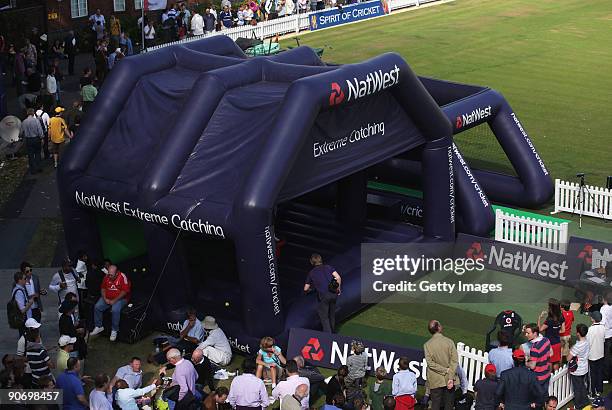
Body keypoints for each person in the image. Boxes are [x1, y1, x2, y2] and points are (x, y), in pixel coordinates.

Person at [90, 264, 131, 342]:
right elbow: (103, 288)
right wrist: (105, 298)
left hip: (121, 299)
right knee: (97, 307)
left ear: (116, 273)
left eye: (111, 275)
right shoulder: (107, 277)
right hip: (108, 298)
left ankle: (114, 330)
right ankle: (99, 326)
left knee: (115, 310)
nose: (110, 276)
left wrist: (114, 300)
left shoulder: (122, 277)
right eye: (109, 274)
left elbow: (124, 292)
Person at [424, 320, 457, 410]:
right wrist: (449, 376)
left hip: (435, 380)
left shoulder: (427, 345)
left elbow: (430, 364)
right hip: (448, 379)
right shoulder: (449, 342)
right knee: (448, 406)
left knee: (435, 405)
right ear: (438, 328)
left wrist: (445, 371)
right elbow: (454, 361)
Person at [304, 253, 341, 333]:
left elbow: (305, 288)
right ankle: (333, 331)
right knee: (331, 313)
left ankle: (328, 336)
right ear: (321, 260)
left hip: (324, 296)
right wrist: (338, 288)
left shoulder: (312, 273)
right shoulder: (328, 267)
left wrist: (310, 290)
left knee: (324, 316)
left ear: (311, 262)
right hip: (334, 293)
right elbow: (338, 277)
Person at [524, 323, 552, 396]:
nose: (526, 335)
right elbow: (551, 353)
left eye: (528, 333)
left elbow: (532, 366)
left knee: (536, 398)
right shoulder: (546, 340)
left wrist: (526, 361)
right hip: (547, 373)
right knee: (545, 395)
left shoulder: (535, 348)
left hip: (538, 377)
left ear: (535, 333)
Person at [538, 299, 565, 371]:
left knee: (549, 361)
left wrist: (539, 318)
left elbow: (540, 329)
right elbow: (563, 330)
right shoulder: (561, 317)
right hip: (557, 343)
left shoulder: (549, 320)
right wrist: (556, 330)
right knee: (556, 361)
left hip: (549, 345)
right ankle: (556, 378)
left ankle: (550, 377)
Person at [568, 323, 589, 409]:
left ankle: (578, 405)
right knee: (582, 385)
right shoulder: (587, 341)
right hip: (584, 367)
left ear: (578, 333)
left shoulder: (577, 346)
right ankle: (585, 401)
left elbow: (569, 357)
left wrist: (571, 348)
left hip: (577, 370)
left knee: (577, 388)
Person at [20, 108, 44, 174]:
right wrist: (42, 138)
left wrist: (21, 137)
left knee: (30, 155)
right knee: (37, 153)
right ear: (33, 113)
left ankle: (32, 170)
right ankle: (38, 167)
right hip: (36, 139)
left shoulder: (24, 122)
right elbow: (40, 130)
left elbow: (21, 132)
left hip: (28, 140)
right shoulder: (36, 121)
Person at [587, 310, 605, 397]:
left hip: (592, 356)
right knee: (599, 372)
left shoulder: (590, 329)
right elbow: (603, 340)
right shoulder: (603, 327)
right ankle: (599, 390)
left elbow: (588, 343)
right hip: (601, 354)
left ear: (593, 319)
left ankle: (592, 393)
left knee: (592, 375)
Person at [600, 292, 612, 383]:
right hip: (610, 333)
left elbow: (602, 322)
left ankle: (605, 377)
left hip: (606, 335)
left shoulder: (604, 309)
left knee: (605, 356)